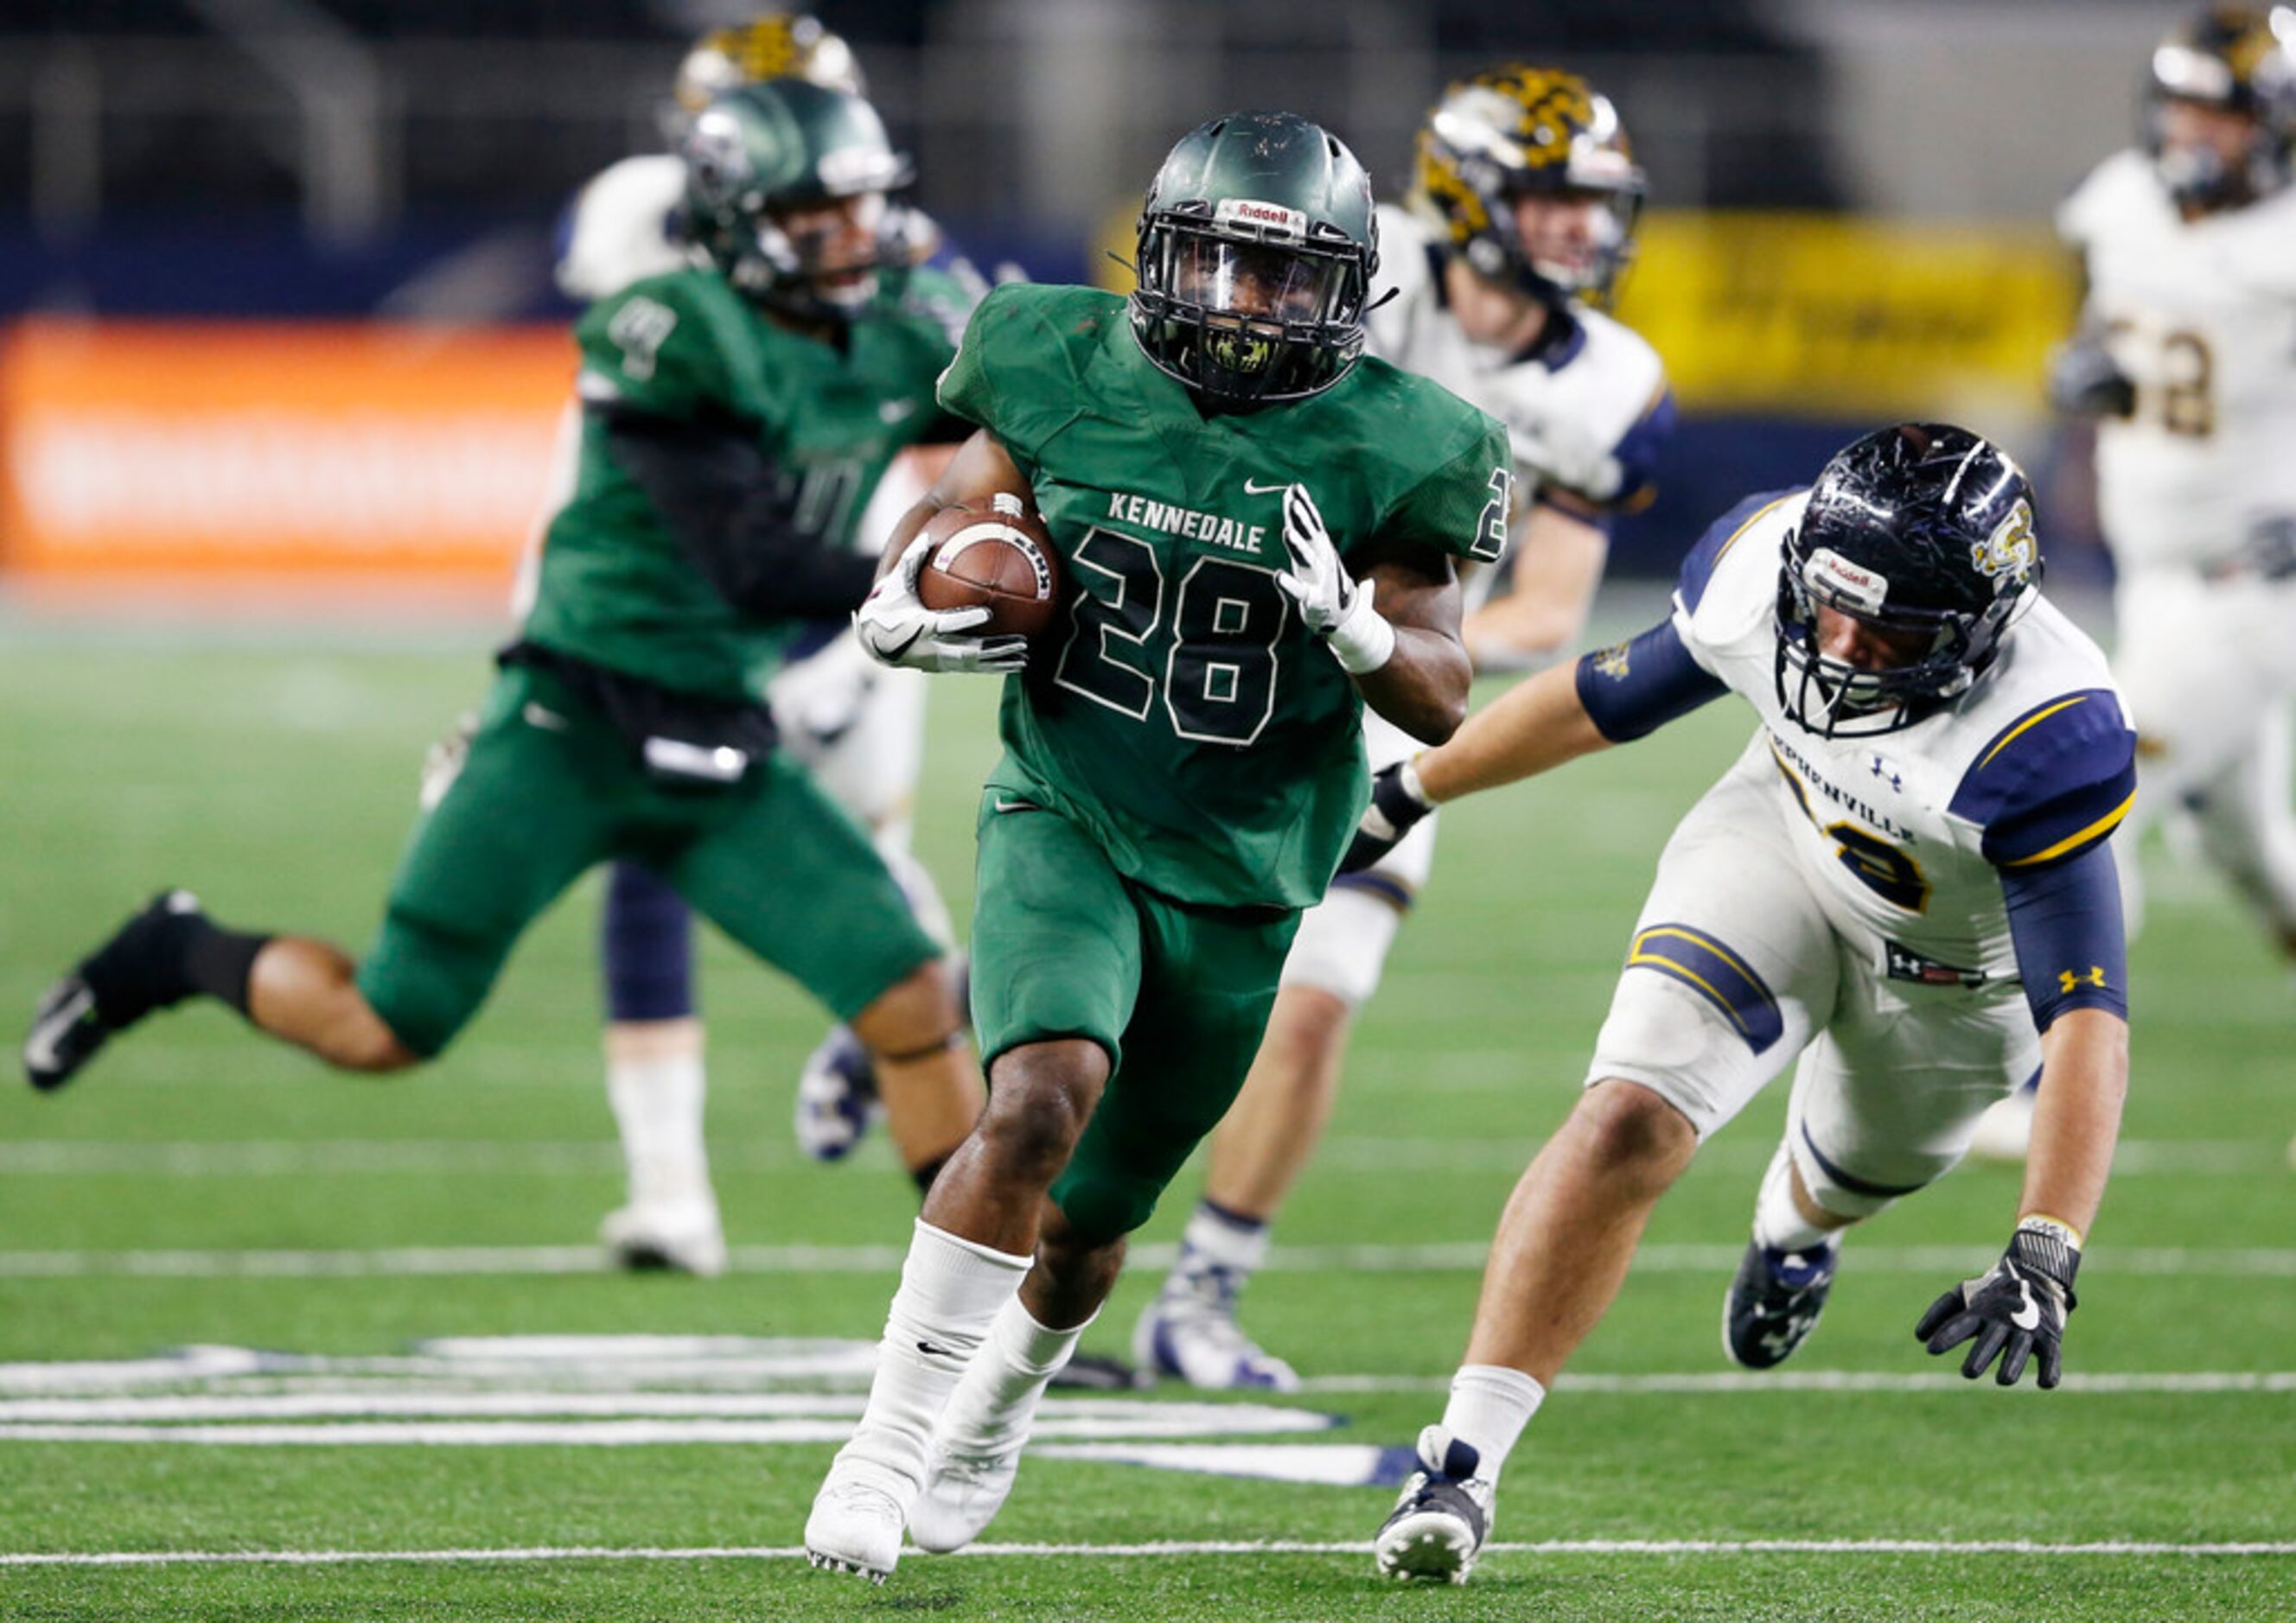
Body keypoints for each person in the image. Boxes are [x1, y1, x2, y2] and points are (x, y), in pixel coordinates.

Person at [23, 83, 985, 1231]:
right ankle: (169, 950)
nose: (855, 239)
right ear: (736, 217)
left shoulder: (898, 328)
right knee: (388, 1025)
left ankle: (980, 1329)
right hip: (569, 730)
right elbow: (748, 558)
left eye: (865, 208)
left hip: (725, 746)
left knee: (915, 998)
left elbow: (993, 444)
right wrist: (945, 579)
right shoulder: (670, 328)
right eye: (817, 214)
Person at [800, 111, 1514, 1583]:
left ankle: (1001, 1404)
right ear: (1167, 258)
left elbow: (1443, 692)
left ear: (1349, 292)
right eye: (1228, 268)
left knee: (1086, 1233)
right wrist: (907, 593)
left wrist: (1356, 626)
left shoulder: (1407, 438)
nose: (1252, 306)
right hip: (1067, 801)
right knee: (1037, 1100)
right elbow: (961, 510)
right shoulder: (1051, 355)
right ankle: (882, 1448)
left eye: (1289, 277)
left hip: (1248, 871)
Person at [1343, 425, 2134, 1584]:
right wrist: (1405, 791)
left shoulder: (2046, 731)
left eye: (1894, 626)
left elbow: (2088, 1014)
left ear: (1981, 623)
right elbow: (1607, 694)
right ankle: (1461, 1462)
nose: (1848, 644)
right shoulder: (1769, 572)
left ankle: (1794, 1235)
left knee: (1842, 1178)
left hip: (1956, 979)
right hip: (1778, 841)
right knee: (1627, 1115)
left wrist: (2045, 1243)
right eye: (1835, 607)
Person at [1136, 64, 1674, 1392]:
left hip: (1383, 693)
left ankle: (1200, 1289)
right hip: (1217, 645)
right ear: (1469, 194)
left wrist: (1386, 643)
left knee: (1315, 1000)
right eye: (1550, 199)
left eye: (1591, 204)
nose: (1578, 230)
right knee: (1135, 944)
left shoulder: (1612, 377)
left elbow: (1547, 603)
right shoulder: (1353, 266)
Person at [541, 14, 985, 1270]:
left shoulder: (896, 254)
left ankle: (906, 1086)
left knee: (877, 884)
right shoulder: (638, 220)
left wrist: (867, 639)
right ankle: (670, 1186)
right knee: (646, 852)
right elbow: (620, 442)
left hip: (836, 591)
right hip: (691, 605)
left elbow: (969, 435)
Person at [1972, 3, 2296, 1163]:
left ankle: (2037, 1068)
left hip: (2253, 589)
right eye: (2183, 102)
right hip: (2153, 576)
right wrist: (2084, 381)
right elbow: (2095, 338)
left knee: (2105, 798)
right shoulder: (2119, 202)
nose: (2193, 129)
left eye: (2221, 108)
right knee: (2250, 845)